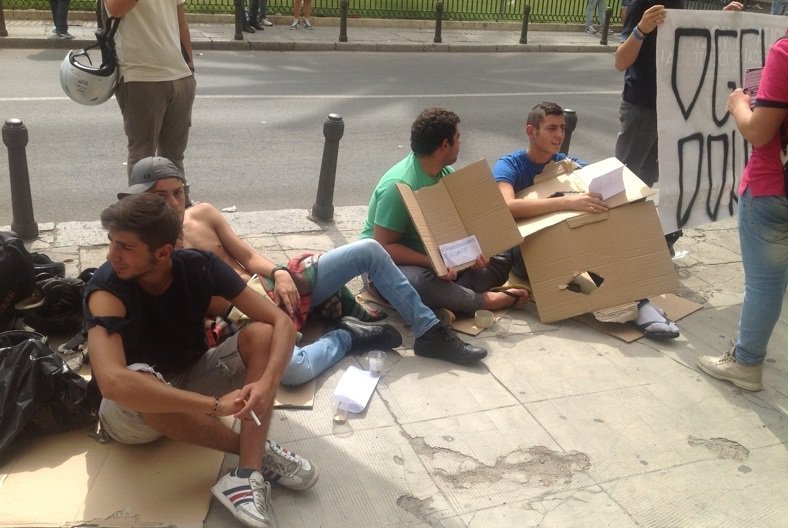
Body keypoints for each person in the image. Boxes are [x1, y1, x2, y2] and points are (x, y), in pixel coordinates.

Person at [124, 156, 488, 370]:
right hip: (237, 316)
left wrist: (280, 273)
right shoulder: (148, 249)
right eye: (161, 196)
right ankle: (347, 337)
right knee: (295, 370)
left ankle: (429, 332)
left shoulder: (202, 214)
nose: (173, 202)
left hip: (271, 287)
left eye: (178, 192)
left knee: (369, 249)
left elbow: (248, 256)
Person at [85, 193, 317, 528]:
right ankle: (257, 452)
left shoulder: (198, 266)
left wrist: (267, 384)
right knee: (137, 378)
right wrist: (212, 406)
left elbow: (279, 322)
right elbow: (113, 383)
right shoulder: (106, 289)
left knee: (261, 335)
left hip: (188, 376)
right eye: (111, 243)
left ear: (163, 252)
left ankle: (246, 476)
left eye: (125, 247)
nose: (111, 255)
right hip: (128, 413)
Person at [492, 101, 680, 339]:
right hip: (524, 253)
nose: (559, 134)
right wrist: (567, 202)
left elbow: (604, 185)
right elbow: (507, 206)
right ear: (531, 131)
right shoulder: (510, 165)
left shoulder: (568, 165)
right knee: (585, 264)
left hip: (570, 249)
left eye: (562, 127)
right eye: (551, 128)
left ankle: (634, 302)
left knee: (601, 242)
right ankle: (637, 305)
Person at [361, 107, 530, 319]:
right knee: (420, 282)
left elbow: (457, 227)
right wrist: (432, 262)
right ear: (445, 145)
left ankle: (448, 302)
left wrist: (474, 254)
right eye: (458, 138)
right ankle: (481, 301)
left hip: (439, 259)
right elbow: (383, 247)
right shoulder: (399, 186)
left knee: (501, 256)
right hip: (388, 265)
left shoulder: (445, 175)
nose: (460, 144)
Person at [697, 34, 788, 392]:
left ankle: (746, 362)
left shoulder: (785, 50)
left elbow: (758, 130)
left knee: (765, 283)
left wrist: (738, 103)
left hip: (773, 187)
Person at [104, 0, 197, 183]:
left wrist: (189, 65)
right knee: (142, 159)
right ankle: (143, 211)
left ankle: (177, 208)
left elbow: (180, 21)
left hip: (180, 75)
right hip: (141, 76)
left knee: (174, 158)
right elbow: (115, 10)